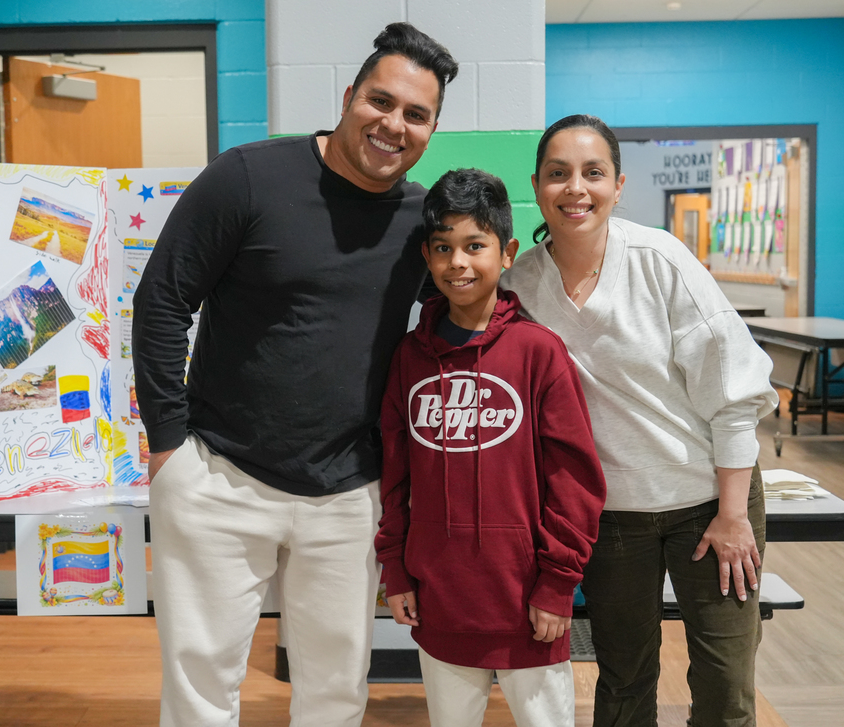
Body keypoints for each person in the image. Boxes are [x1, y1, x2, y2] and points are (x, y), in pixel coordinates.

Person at [131, 23, 458, 727]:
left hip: (348, 493)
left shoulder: (419, 220)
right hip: (218, 476)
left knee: (336, 693)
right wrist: (167, 447)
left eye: (416, 114)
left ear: (431, 128)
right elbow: (162, 300)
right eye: (380, 101)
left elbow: (461, 323)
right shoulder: (247, 177)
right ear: (348, 98)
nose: (392, 124)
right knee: (200, 690)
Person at [501, 114, 778, 727]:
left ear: (618, 185)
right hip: (608, 514)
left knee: (725, 680)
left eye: (593, 173)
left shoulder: (660, 261)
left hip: (710, 501)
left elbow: (734, 394)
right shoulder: (520, 287)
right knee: (624, 676)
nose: (576, 188)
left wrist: (734, 517)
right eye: (558, 174)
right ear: (538, 186)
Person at [375, 168, 607, 727]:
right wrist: (396, 570)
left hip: (529, 603)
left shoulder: (538, 351)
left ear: (505, 254)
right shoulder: (410, 357)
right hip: (441, 599)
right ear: (428, 260)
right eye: (443, 248)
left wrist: (557, 585)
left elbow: (574, 479)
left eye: (474, 246)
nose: (458, 263)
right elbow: (395, 472)